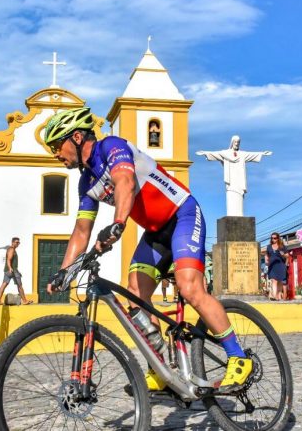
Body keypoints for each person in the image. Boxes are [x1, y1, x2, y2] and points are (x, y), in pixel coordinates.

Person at [44, 107, 253, 392]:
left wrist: (118, 223)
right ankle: (162, 367)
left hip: (182, 215)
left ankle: (238, 357)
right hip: (155, 232)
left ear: (77, 137)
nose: (56, 153)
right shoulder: (87, 182)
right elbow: (82, 230)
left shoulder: (112, 147)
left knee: (189, 288)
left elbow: (125, 183)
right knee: (136, 295)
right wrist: (63, 272)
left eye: (57, 145)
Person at [0, 237, 32, 305]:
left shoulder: (11, 249)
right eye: (16, 242)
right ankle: (24, 301)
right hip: (12, 270)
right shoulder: (12, 249)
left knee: (4, 284)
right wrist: (10, 268)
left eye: (18, 242)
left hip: (8, 270)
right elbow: (8, 259)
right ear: (12, 242)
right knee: (19, 285)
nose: (18, 244)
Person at [264, 233, 289, 301]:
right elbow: (266, 255)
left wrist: (283, 254)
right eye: (272, 238)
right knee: (273, 280)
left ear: (278, 238)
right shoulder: (269, 246)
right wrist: (266, 260)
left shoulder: (282, 246)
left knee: (280, 282)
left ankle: (278, 296)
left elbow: (287, 255)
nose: (273, 239)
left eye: (275, 238)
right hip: (272, 266)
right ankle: (274, 296)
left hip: (280, 266)